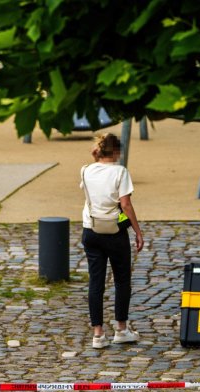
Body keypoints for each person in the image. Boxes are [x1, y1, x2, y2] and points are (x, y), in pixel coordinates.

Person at [80, 133, 145, 349]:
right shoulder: (120, 172)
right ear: (117, 151)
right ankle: (121, 329)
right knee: (121, 280)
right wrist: (137, 231)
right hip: (115, 232)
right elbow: (125, 205)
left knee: (96, 282)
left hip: (91, 230)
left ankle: (97, 334)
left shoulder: (86, 170)